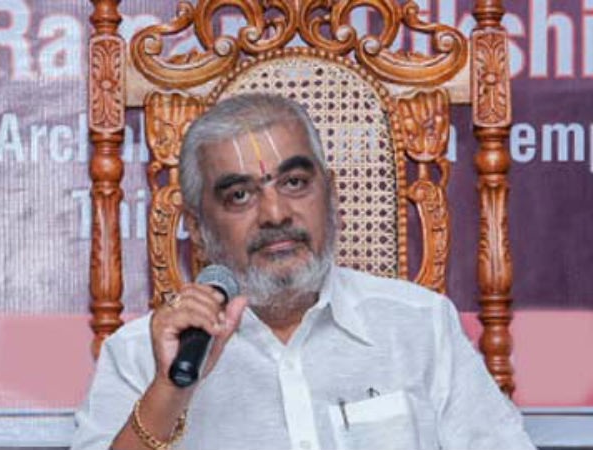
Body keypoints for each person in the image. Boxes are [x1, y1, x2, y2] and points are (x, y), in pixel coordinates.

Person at [71, 93, 535, 450]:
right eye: (240, 195)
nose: (275, 213)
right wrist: (170, 390)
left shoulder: (420, 324)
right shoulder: (139, 356)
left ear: (330, 195)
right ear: (196, 226)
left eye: (294, 183)